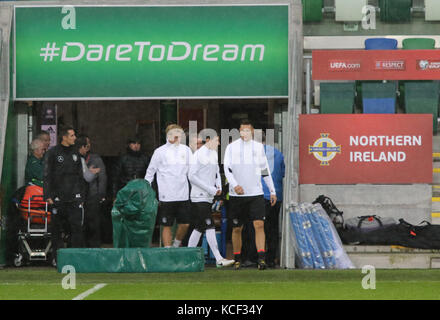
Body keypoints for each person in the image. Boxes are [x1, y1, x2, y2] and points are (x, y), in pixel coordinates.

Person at [223, 120, 277, 270]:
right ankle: (237, 258)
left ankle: (261, 258)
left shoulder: (258, 147)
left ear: (252, 132)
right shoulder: (231, 147)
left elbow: (264, 170)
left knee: (259, 224)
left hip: (256, 194)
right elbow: (227, 168)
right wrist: (235, 185)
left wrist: (272, 190)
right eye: (242, 130)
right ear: (239, 132)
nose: (245, 133)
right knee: (237, 228)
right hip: (236, 195)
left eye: (248, 130)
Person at [187, 136, 235, 267]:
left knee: (199, 227)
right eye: (216, 140)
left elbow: (216, 173)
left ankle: (188, 257)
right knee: (209, 224)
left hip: (208, 196)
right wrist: (209, 188)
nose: (219, 143)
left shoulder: (213, 154)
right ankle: (219, 258)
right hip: (199, 196)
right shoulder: (198, 155)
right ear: (208, 141)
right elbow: (191, 176)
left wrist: (218, 186)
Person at [43, 126, 89, 263]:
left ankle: (75, 258)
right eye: (72, 135)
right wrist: (48, 196)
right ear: (64, 137)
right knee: (57, 230)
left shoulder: (77, 153)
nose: (75, 138)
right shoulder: (53, 153)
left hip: (74, 198)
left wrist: (82, 196)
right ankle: (57, 259)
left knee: (76, 229)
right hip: (58, 198)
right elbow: (47, 175)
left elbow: (81, 176)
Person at [145, 124, 192, 248]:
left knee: (185, 224)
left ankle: (176, 246)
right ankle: (167, 251)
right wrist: (147, 190)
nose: (179, 136)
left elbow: (193, 171)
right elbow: (150, 172)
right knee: (166, 225)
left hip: (183, 195)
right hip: (166, 196)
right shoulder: (159, 151)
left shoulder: (186, 150)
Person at [76, 135, 107, 248]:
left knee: (93, 223)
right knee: (80, 224)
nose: (88, 146)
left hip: (93, 195)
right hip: (80, 195)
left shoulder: (96, 158)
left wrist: (101, 194)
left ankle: (94, 247)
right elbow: (86, 176)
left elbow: (102, 177)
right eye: (86, 144)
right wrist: (90, 172)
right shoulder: (76, 158)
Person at [261, 132, 285, 268]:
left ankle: (257, 257)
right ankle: (271, 258)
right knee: (273, 227)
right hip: (277, 195)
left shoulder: (254, 155)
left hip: (261, 195)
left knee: (258, 228)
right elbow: (282, 173)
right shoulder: (278, 153)